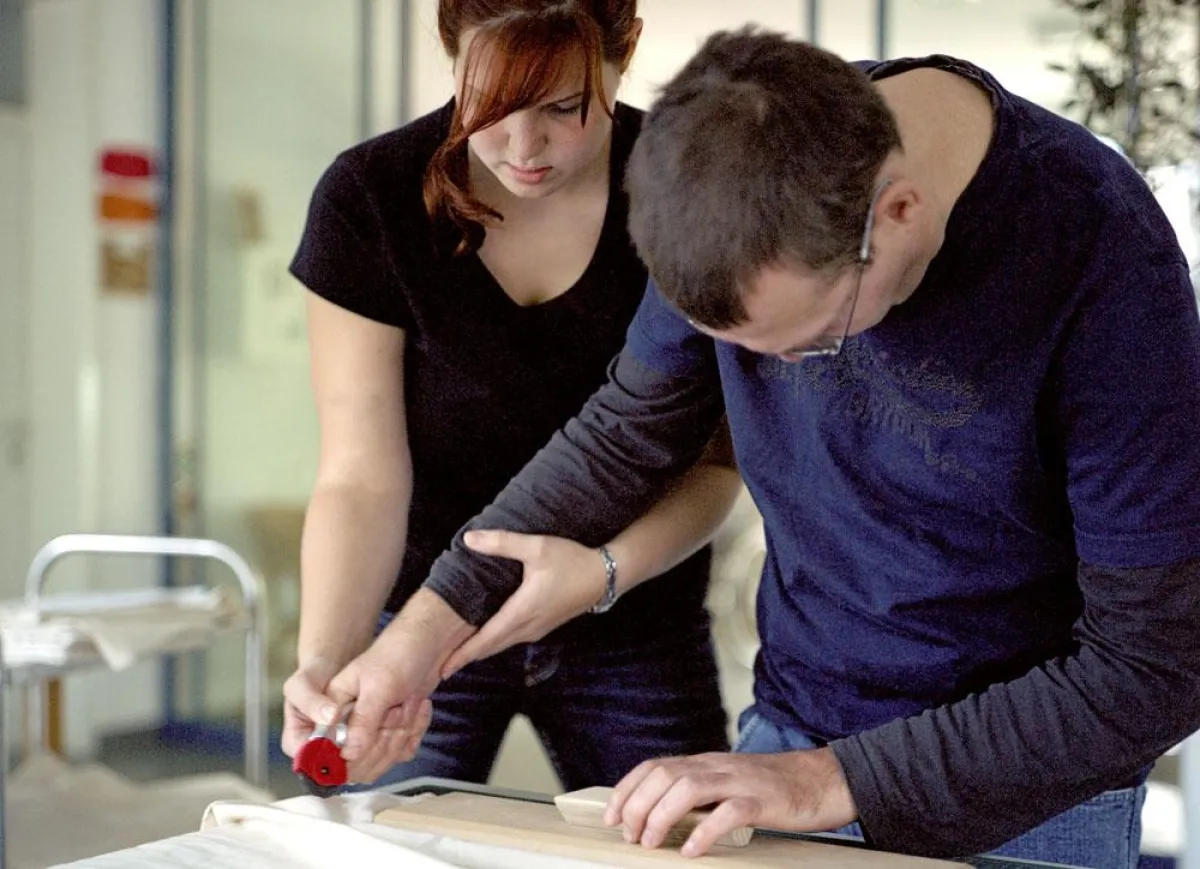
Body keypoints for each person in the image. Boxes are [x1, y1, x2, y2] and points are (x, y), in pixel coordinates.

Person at [318, 28, 1200, 867]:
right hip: (789, 729)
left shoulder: (1103, 261)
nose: (772, 382)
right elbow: (630, 428)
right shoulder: (728, 177)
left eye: (803, 348)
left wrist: (832, 779)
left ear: (896, 215)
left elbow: (1158, 664)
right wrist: (426, 628)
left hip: (1028, 787)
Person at [280, 0, 742, 792]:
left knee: (681, 848)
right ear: (453, 61)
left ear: (620, 61)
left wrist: (605, 570)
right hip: (425, 617)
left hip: (634, 617)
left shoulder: (690, 195)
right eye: (487, 105)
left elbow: (719, 464)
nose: (523, 148)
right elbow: (360, 475)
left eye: (564, 108)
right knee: (378, 843)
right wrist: (328, 657)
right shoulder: (373, 197)